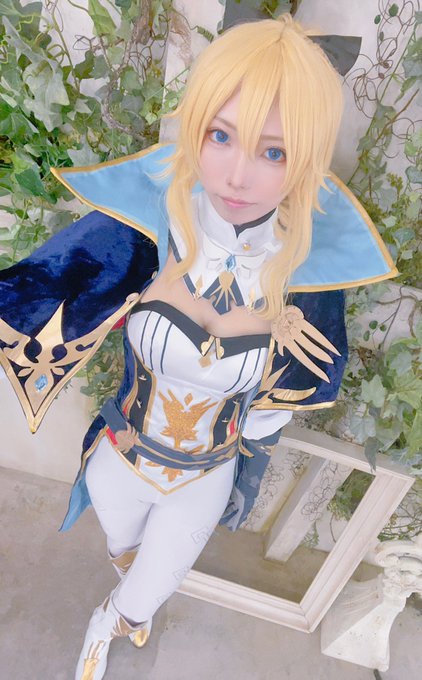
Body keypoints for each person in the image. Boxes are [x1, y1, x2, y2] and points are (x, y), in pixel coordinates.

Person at [0, 14, 396, 680]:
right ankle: (128, 589)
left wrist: (255, 452)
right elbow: (37, 292)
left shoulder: (305, 275)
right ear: (196, 128)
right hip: (119, 456)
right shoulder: (145, 228)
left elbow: (287, 397)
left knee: (146, 591)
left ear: (305, 160)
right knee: (123, 548)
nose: (237, 175)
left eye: (274, 152)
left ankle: (112, 621)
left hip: (204, 477)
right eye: (220, 135)